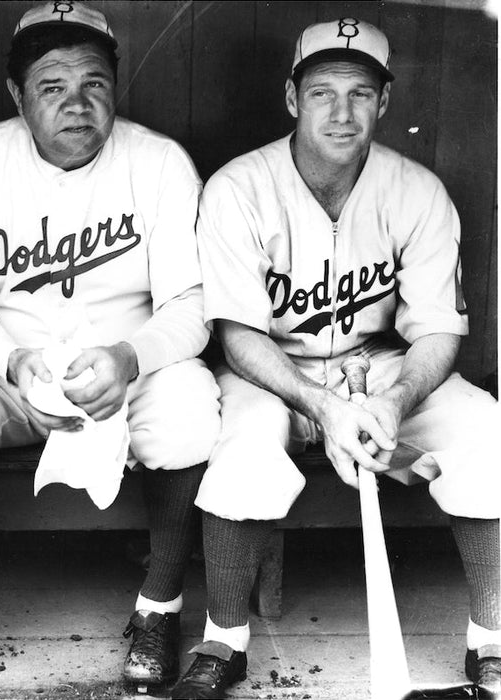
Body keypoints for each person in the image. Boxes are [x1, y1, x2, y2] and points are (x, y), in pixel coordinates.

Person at [0, 1, 221, 696]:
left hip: (124, 368)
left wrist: (132, 358)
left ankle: (158, 608)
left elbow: (189, 307)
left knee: (192, 399)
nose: (76, 104)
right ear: (15, 94)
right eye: (51, 86)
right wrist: (11, 364)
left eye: (94, 83)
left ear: (116, 85)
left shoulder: (159, 161)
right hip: (13, 367)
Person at [175, 17, 501, 699]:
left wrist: (394, 400)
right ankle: (223, 641)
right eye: (322, 92)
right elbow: (237, 335)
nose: (342, 111)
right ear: (292, 99)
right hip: (270, 369)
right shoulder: (239, 187)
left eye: (360, 93)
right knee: (242, 447)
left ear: (383, 103)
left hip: (381, 368)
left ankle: (491, 641)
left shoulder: (416, 191)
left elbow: (439, 330)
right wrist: (317, 404)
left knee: (484, 430)